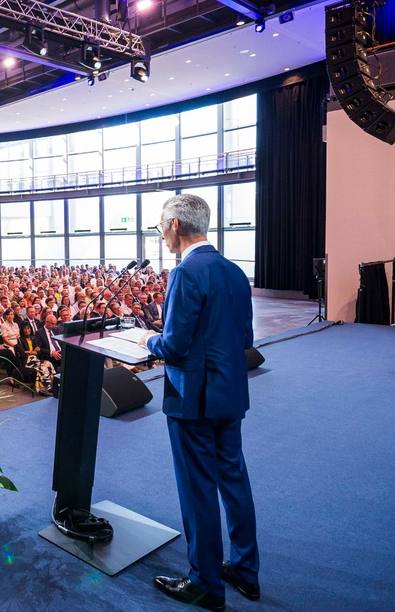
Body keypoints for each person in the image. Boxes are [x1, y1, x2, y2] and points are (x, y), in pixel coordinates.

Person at [139, 194, 259, 611]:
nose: (162, 234)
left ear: (174, 225)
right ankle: (245, 570)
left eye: (160, 226)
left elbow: (173, 345)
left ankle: (206, 583)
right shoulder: (234, 271)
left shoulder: (186, 273)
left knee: (198, 490)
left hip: (193, 400)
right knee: (234, 480)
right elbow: (245, 339)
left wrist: (147, 339)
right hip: (230, 394)